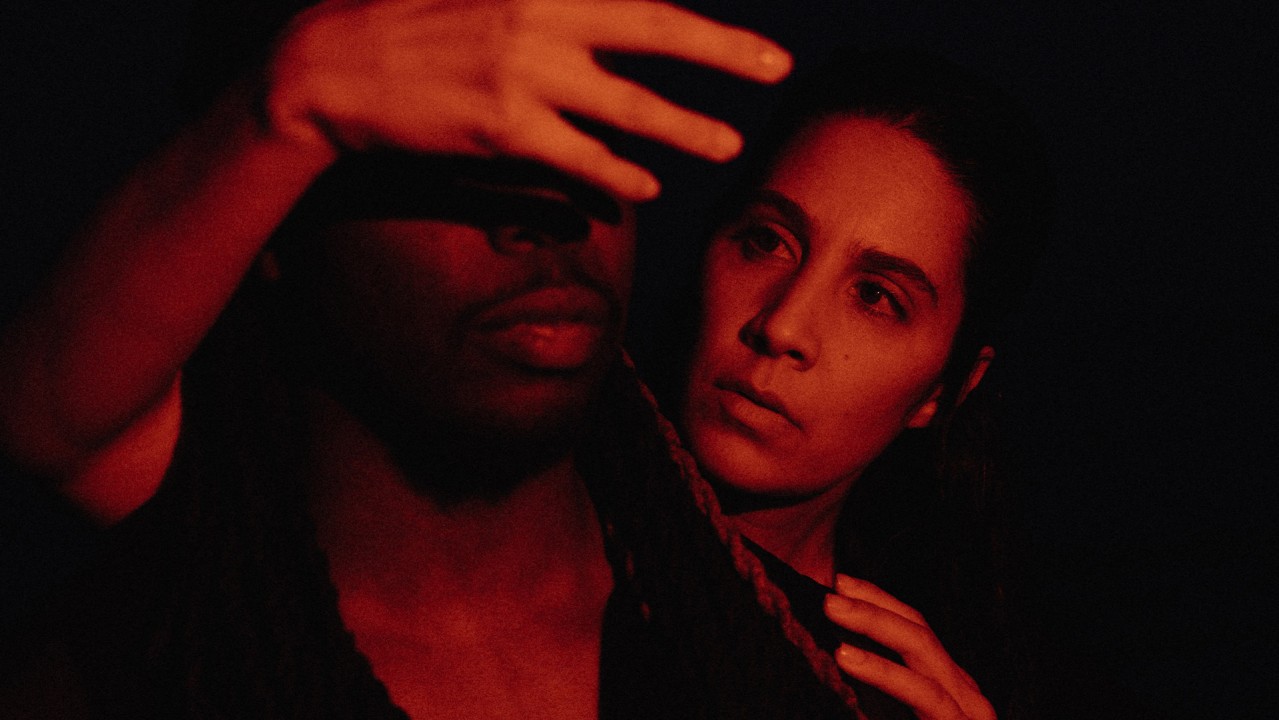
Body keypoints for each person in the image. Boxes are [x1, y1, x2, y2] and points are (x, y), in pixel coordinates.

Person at [0, 1, 864, 717]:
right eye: (449, 147)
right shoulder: (160, 649)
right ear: (272, 217)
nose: (545, 210)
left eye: (582, 126)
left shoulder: (799, 661)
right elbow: (48, 415)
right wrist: (286, 105)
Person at [668, 48, 1054, 720]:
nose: (782, 325)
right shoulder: (504, 517)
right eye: (767, 241)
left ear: (946, 389)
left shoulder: (894, 695)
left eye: (875, 297)